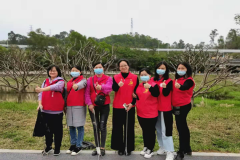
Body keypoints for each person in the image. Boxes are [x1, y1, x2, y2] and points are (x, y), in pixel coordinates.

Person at [35, 65, 65, 156]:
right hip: (45, 110)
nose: (52, 72)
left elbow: (55, 87)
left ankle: (57, 148)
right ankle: (48, 146)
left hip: (57, 111)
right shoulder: (45, 81)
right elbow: (40, 94)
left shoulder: (61, 81)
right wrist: (40, 104)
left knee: (57, 130)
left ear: (58, 72)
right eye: (50, 71)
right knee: (47, 130)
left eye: (54, 71)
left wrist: (42, 89)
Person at [111, 59, 139, 156]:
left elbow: (137, 92)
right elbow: (113, 89)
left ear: (128, 66)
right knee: (118, 128)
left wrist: (132, 103)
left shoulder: (134, 77)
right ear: (119, 67)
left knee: (129, 128)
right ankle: (120, 148)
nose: (123, 67)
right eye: (121, 66)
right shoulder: (115, 77)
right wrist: (118, 85)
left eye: (125, 65)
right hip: (118, 106)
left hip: (129, 106)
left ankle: (129, 148)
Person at [85, 62, 112, 156]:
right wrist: (89, 104)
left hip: (104, 105)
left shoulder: (108, 78)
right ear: (94, 69)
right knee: (95, 126)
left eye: (100, 67)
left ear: (103, 68)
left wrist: (102, 87)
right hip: (93, 106)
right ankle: (97, 147)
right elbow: (87, 92)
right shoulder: (90, 79)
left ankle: (102, 147)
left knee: (102, 125)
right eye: (96, 67)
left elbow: (109, 88)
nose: (98, 69)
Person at [172, 62, 195, 160]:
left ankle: (181, 150)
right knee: (182, 126)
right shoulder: (176, 80)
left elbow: (185, 87)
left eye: (182, 68)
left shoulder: (189, 80)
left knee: (181, 127)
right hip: (176, 106)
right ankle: (187, 148)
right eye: (179, 68)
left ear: (187, 70)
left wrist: (180, 87)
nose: (180, 70)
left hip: (184, 106)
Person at [152, 62, 175, 160]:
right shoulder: (152, 80)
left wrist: (164, 87)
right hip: (154, 108)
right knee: (158, 129)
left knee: (166, 130)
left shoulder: (169, 81)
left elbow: (165, 94)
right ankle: (162, 147)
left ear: (166, 70)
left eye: (163, 68)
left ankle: (170, 151)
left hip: (165, 109)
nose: (161, 70)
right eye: (159, 68)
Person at [135, 68, 159, 159]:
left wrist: (150, 88)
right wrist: (135, 96)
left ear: (150, 75)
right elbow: (139, 96)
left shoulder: (153, 85)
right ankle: (146, 146)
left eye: (145, 74)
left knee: (150, 131)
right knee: (144, 130)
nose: (143, 76)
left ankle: (150, 149)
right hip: (140, 112)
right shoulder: (139, 85)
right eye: (141, 75)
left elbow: (156, 94)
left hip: (151, 113)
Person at [66, 66, 87, 156]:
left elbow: (81, 85)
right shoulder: (69, 81)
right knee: (71, 126)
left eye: (76, 70)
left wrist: (76, 86)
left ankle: (79, 146)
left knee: (79, 126)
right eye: (72, 70)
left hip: (79, 105)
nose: (74, 72)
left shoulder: (83, 80)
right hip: (69, 105)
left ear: (80, 71)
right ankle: (73, 144)